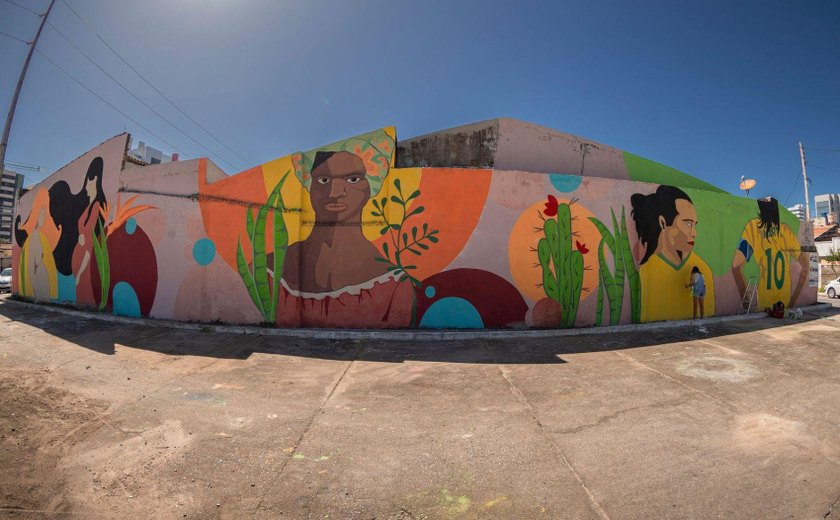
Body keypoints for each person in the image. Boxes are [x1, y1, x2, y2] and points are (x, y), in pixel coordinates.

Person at [276, 130, 414, 328]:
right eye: (323, 180)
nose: (335, 193)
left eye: (353, 180)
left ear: (370, 189)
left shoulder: (394, 285)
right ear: (310, 189)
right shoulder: (272, 266)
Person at [631, 185, 715, 322]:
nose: (694, 233)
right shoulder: (647, 269)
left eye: (695, 225)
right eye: (688, 224)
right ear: (663, 223)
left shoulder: (704, 268)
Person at [731, 197, 808, 310]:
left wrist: (746, 304)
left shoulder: (753, 228)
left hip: (764, 304)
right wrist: (793, 301)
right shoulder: (786, 231)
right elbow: (805, 266)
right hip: (784, 304)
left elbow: (735, 267)